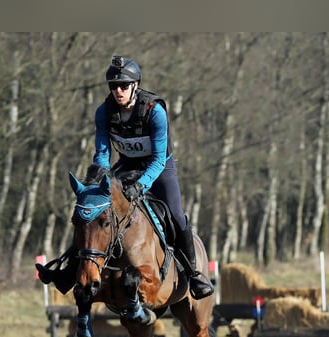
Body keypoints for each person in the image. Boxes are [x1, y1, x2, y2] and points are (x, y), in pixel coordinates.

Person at [37, 55, 214, 300]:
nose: (118, 91)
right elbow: (102, 153)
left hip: (159, 168)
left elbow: (158, 159)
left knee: (174, 213)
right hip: (126, 165)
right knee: (93, 213)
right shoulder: (104, 112)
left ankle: (194, 274)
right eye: (113, 86)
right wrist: (99, 182)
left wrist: (141, 185)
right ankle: (68, 271)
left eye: (123, 85)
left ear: (135, 86)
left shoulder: (155, 111)